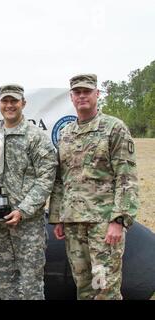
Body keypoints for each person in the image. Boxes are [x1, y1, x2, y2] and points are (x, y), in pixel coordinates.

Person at [49, 74, 139, 300]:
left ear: (97, 94)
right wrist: (58, 216)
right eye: (77, 92)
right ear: (71, 97)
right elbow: (61, 179)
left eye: (86, 92)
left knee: (104, 286)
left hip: (103, 224)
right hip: (73, 224)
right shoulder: (66, 133)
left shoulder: (113, 128)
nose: (82, 96)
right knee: (84, 286)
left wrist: (118, 220)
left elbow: (126, 177)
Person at [0, 84, 57, 300]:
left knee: (31, 284)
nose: (9, 105)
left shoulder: (36, 138)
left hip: (28, 224)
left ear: (23, 104)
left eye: (14, 101)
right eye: (5, 101)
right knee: (5, 282)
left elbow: (46, 178)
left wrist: (23, 210)